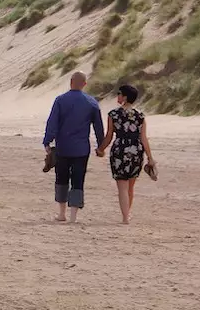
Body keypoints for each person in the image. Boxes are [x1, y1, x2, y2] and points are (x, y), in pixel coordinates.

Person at [43, 71, 104, 224]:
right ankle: (73, 217)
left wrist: (47, 141)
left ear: (70, 82)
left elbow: (52, 123)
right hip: (82, 149)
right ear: (84, 84)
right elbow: (98, 127)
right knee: (78, 180)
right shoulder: (91, 102)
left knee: (61, 179)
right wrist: (101, 146)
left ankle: (61, 213)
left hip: (63, 147)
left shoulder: (60, 100)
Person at [96, 83, 155, 225]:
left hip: (120, 150)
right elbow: (143, 138)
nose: (118, 96)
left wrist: (101, 149)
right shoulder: (140, 116)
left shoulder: (114, 114)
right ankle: (127, 215)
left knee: (122, 186)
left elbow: (109, 135)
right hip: (136, 151)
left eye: (119, 94)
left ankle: (125, 217)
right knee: (130, 186)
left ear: (125, 97)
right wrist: (150, 158)